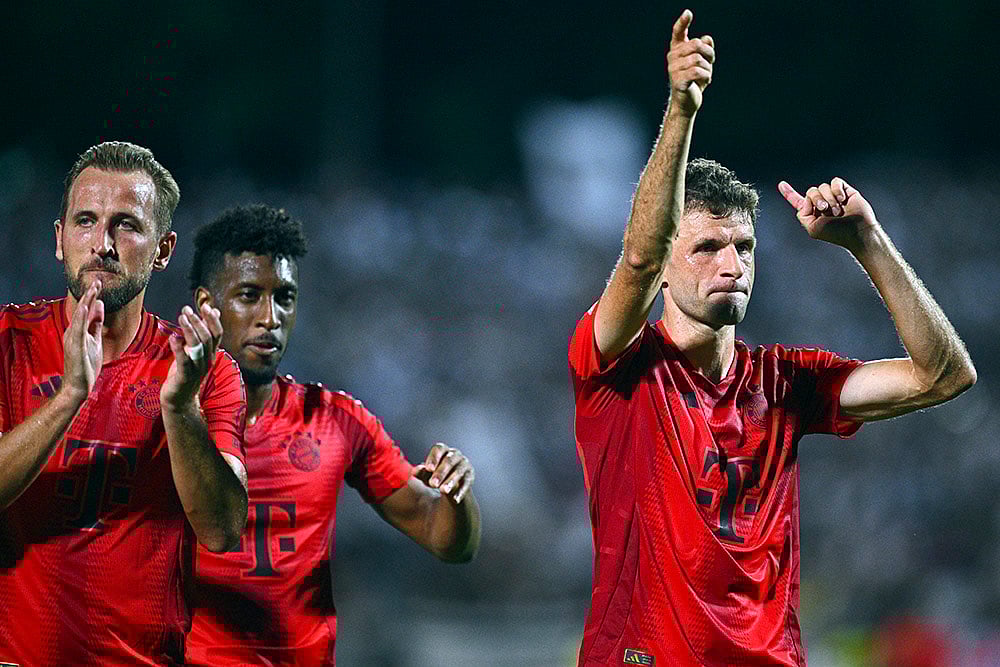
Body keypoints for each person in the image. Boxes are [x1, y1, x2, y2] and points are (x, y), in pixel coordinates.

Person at [568, 10, 976, 666]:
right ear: (668, 266)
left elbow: (944, 375)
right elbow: (639, 257)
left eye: (743, 246)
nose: (730, 264)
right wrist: (681, 107)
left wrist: (868, 242)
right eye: (706, 247)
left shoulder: (784, 381)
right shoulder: (619, 364)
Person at [183, 204, 481, 666]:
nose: (270, 317)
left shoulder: (334, 419)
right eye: (248, 295)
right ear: (208, 305)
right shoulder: (163, 419)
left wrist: (458, 494)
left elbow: (446, 539)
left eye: (284, 297)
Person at [0, 141, 249, 665]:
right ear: (59, 239)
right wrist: (71, 393)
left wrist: (181, 410)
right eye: (86, 220)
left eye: (127, 225)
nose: (102, 244)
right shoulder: (6, 342)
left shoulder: (205, 371)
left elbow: (224, 530)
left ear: (164, 249)